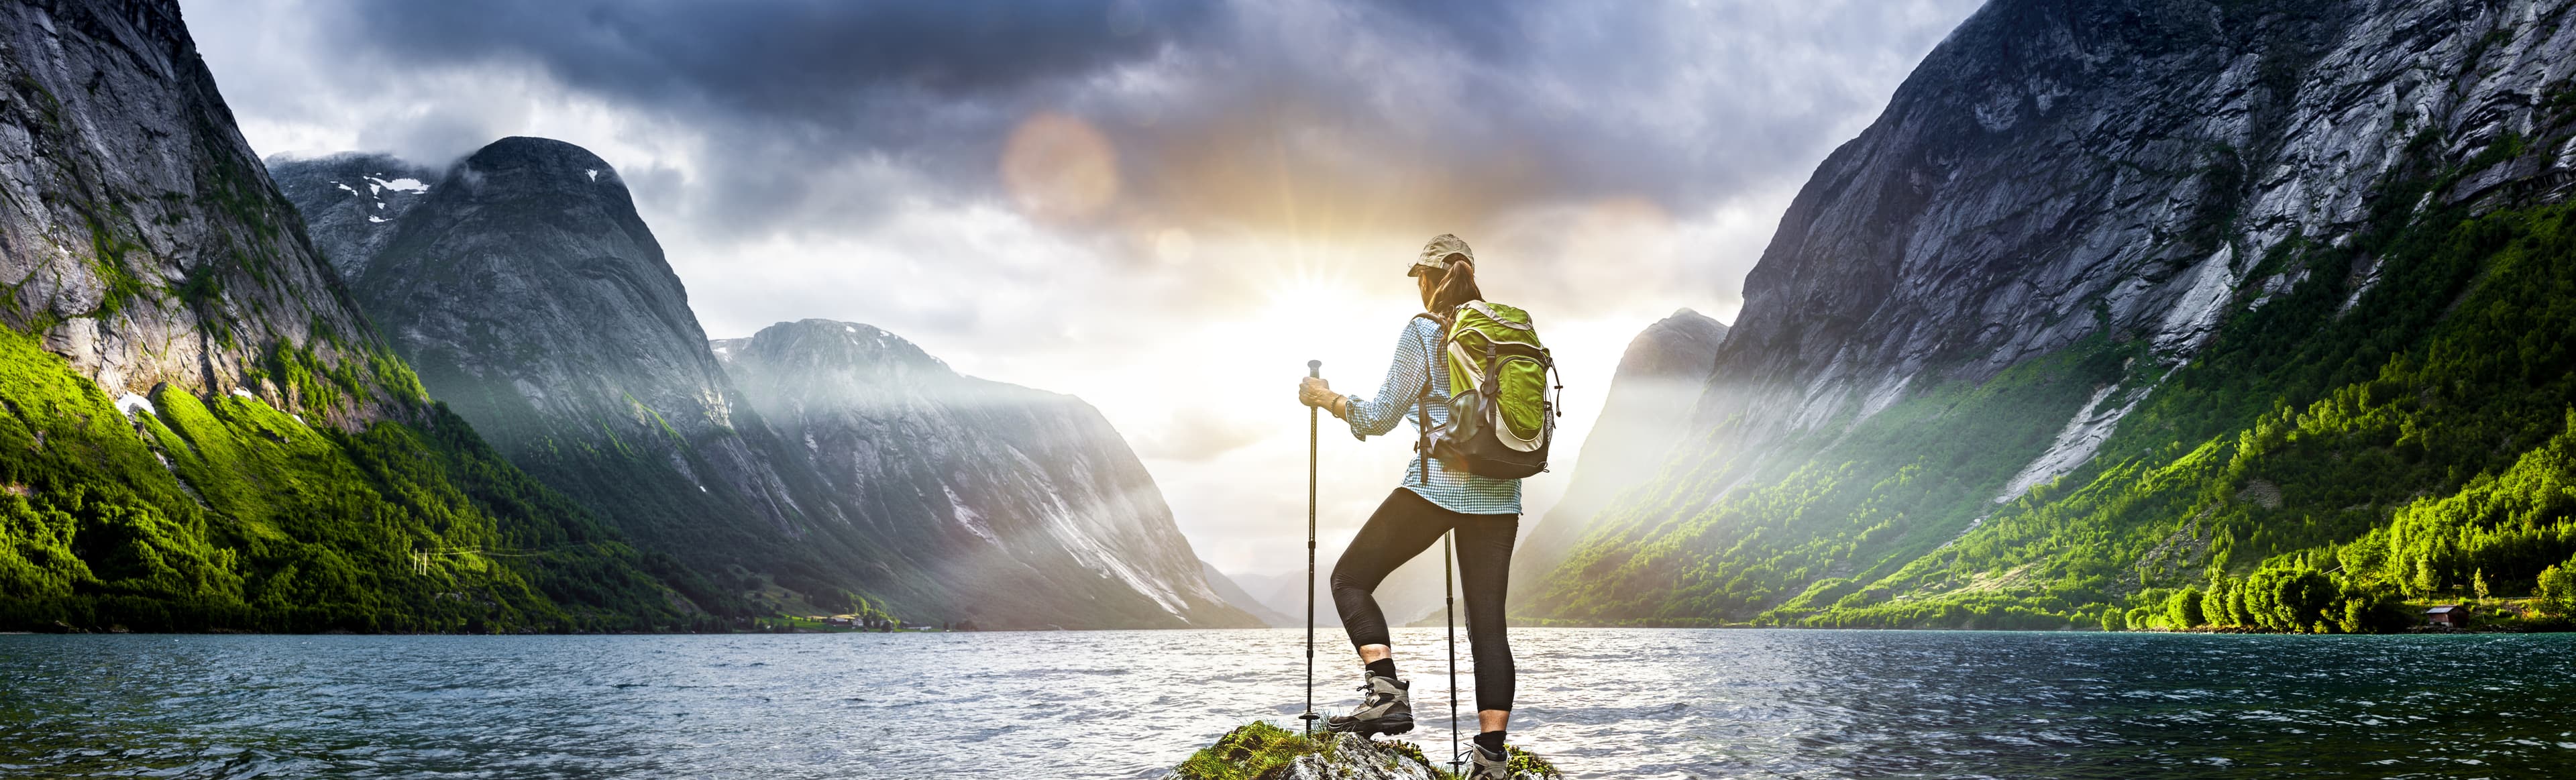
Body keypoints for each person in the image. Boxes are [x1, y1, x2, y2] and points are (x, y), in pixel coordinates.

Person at [1297, 233, 1520, 778]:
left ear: (1429, 277)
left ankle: (1387, 691)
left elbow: (1377, 415)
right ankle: (1492, 760)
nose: (1417, 285)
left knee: (1350, 578)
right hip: (1502, 492)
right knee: (1489, 627)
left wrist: (1324, 398)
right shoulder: (1504, 330)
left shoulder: (1425, 331)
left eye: (1418, 275)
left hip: (1438, 485)